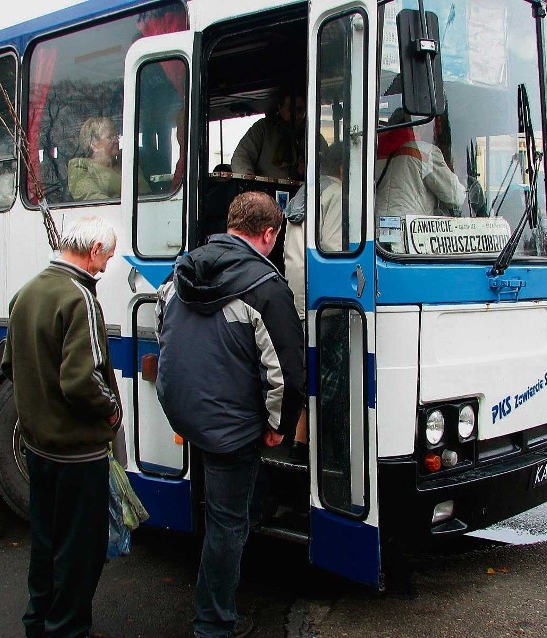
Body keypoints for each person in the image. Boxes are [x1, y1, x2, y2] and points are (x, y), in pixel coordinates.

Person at [155, 191, 305, 638]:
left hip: (187, 413)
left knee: (229, 504)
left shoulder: (183, 270)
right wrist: (280, 426)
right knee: (226, 522)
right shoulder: (266, 287)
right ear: (269, 234)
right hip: (231, 427)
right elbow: (288, 375)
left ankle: (248, 528)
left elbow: (165, 330)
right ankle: (214, 623)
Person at [1, 215, 122, 638]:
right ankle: (66, 629)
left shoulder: (26, 292)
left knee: (46, 543)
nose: (105, 268)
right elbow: (82, 381)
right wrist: (111, 412)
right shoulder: (80, 298)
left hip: (38, 449)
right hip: (77, 456)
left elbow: (9, 365)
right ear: (92, 252)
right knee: (79, 552)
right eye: (105, 258)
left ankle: (38, 623)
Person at [282, 143, 343, 461]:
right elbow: (333, 251)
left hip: (297, 295)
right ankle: (316, 441)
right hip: (322, 298)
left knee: (306, 364)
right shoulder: (336, 194)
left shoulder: (303, 194)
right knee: (333, 369)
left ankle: (297, 436)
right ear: (345, 168)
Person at [375, 108, 466, 225]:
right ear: (419, 125)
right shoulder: (424, 151)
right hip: (408, 231)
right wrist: (465, 187)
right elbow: (454, 196)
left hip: (379, 228)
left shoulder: (374, 152)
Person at [231, 88, 307, 180]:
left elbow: (325, 167)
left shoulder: (312, 136)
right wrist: (250, 187)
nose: (295, 115)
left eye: (300, 110)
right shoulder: (263, 128)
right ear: (280, 108)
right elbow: (241, 157)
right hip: (265, 192)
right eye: (291, 109)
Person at [68, 116, 150, 201]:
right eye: (110, 137)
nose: (116, 141)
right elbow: (91, 198)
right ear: (93, 144)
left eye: (116, 136)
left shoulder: (127, 163)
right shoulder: (80, 166)